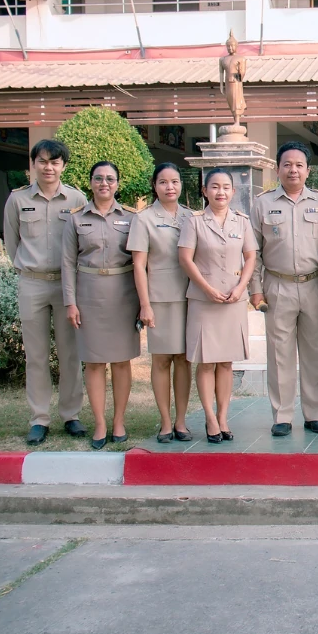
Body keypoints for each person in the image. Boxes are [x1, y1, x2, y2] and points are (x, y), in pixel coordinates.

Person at [3, 139, 87, 445]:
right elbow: (12, 242)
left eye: (54, 162)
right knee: (36, 355)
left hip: (67, 285)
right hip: (33, 283)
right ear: (33, 164)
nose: (48, 167)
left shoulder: (76, 199)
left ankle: (71, 415)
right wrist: (28, 269)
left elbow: (82, 242)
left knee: (70, 353)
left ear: (63, 166)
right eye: (42, 161)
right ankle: (39, 418)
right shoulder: (17, 200)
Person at [249, 142, 318, 437]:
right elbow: (254, 251)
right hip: (277, 284)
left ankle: (314, 413)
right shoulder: (262, 203)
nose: (293, 169)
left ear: (308, 170)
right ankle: (282, 415)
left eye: (299, 165)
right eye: (287, 164)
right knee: (279, 353)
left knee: (314, 352)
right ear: (277, 168)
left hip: (313, 284)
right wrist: (255, 290)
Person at [61, 161, 140, 450]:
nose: (104, 183)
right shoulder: (76, 219)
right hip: (89, 294)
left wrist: (143, 303)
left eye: (110, 179)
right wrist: (71, 302)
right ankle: (99, 423)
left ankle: (119, 421)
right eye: (98, 178)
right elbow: (68, 264)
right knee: (94, 362)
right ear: (90, 183)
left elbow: (140, 263)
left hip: (123, 294)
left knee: (121, 361)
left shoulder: (132, 218)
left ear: (118, 183)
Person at [179, 168, 258, 444]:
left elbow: (250, 258)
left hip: (234, 300)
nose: (220, 192)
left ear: (233, 192)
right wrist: (207, 289)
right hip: (204, 300)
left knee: (226, 362)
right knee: (206, 362)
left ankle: (224, 417)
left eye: (226, 187)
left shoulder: (242, 222)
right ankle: (210, 418)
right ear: (205, 191)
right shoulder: (195, 222)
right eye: (214, 186)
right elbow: (186, 259)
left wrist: (240, 288)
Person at [127, 163, 195, 443]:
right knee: (161, 360)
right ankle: (165, 423)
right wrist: (145, 304)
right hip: (160, 299)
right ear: (154, 186)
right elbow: (138, 265)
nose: (170, 187)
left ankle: (181, 421)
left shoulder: (191, 217)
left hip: (190, 298)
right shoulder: (143, 219)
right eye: (163, 182)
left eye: (175, 182)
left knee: (184, 360)